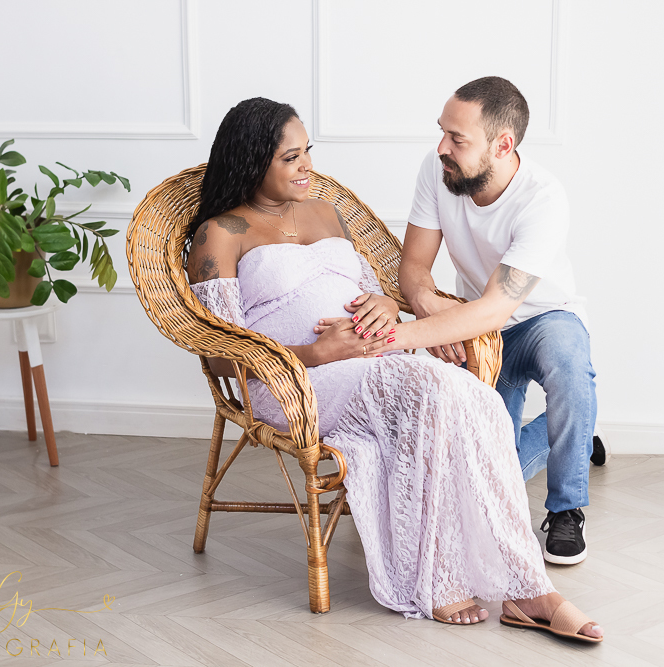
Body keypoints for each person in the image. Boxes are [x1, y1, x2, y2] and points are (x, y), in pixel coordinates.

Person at [185, 97, 603, 642]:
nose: (308, 166)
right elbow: (220, 352)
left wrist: (383, 304)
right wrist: (315, 353)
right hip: (290, 382)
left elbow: (368, 288)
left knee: (475, 399)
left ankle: (526, 586)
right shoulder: (222, 233)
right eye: (291, 158)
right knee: (432, 388)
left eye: (308, 150)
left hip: (372, 360)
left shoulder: (324, 211)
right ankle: (465, 579)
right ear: (251, 161)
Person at [396, 77, 599, 566]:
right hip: (482, 331)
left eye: (457, 139)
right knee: (491, 470)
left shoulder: (543, 199)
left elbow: (494, 306)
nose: (442, 147)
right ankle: (576, 437)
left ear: (503, 145)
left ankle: (567, 507)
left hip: (544, 316)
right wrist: (428, 305)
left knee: (572, 374)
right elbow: (412, 268)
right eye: (442, 132)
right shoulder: (438, 169)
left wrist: (393, 338)